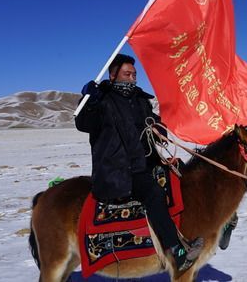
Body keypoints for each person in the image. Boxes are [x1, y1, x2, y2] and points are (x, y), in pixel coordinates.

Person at [75, 54, 200, 273]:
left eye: (134, 74)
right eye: (127, 74)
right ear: (113, 75)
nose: (132, 79)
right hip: (119, 170)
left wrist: (158, 129)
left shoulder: (139, 99)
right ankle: (176, 251)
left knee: (183, 174)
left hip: (147, 161)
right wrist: (90, 101)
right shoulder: (101, 100)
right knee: (154, 193)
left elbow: (152, 120)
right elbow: (83, 123)